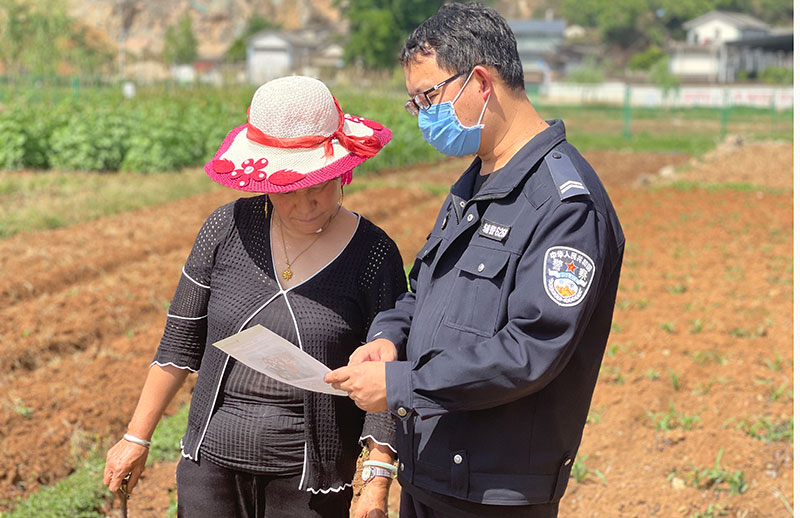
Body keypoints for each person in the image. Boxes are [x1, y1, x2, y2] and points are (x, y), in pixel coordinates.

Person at [326, 3, 625, 517]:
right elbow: (423, 291)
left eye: (429, 96)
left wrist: (401, 386)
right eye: (414, 103)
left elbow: (531, 349)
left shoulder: (564, 204)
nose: (423, 115)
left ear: (480, 82)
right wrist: (386, 338)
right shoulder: (475, 182)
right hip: (430, 467)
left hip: (492, 491)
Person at [103, 76, 408, 518]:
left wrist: (377, 476)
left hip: (309, 485)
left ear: (343, 172)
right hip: (210, 468)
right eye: (288, 190)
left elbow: (385, 373)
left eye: (318, 185)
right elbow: (179, 342)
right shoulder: (225, 229)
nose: (305, 204)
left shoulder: (374, 254)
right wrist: (136, 437)